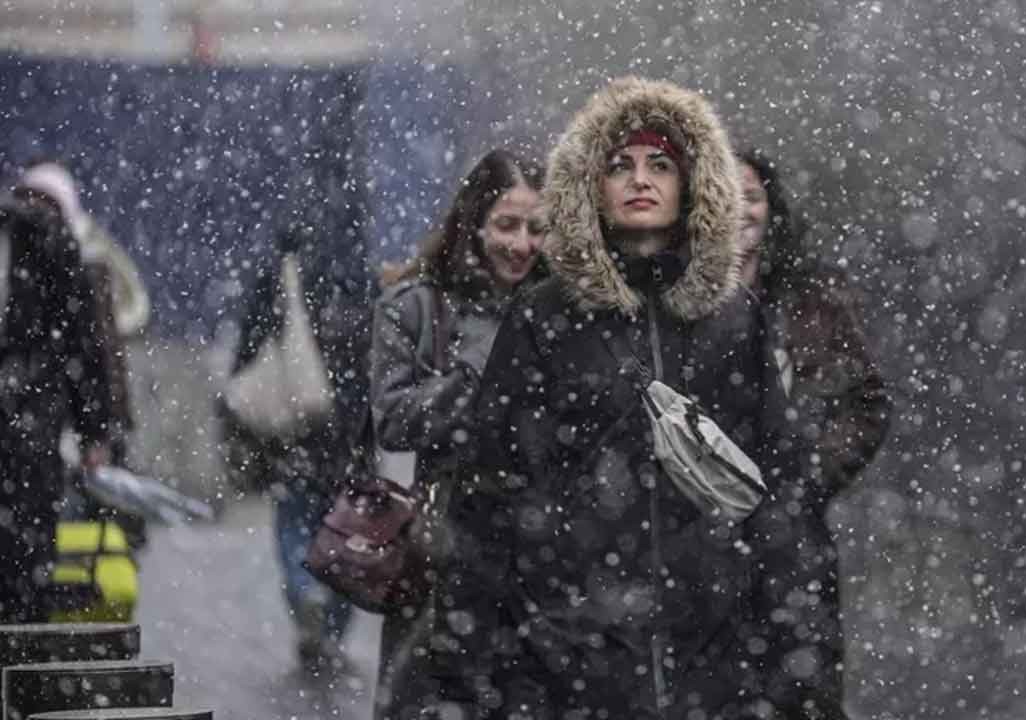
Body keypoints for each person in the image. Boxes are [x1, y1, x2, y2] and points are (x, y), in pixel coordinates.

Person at [447, 77, 816, 719]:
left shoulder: (736, 320)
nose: (639, 179)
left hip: (717, 663)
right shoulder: (545, 319)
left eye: (660, 164)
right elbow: (489, 494)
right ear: (591, 186)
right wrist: (493, 669)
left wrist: (790, 672)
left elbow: (783, 496)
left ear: (692, 183)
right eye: (619, 165)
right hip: (569, 664)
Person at [370, 149, 547, 720]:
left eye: (537, 228)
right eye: (506, 224)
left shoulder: (563, 308)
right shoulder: (418, 305)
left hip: (544, 551)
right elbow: (392, 420)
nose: (521, 245)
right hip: (442, 547)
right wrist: (475, 376)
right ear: (474, 222)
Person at [735, 148, 894, 715]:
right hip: (702, 541)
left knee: (800, 685)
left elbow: (866, 400)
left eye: (751, 196)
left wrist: (812, 473)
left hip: (791, 536)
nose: (739, 209)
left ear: (771, 208)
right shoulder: (678, 299)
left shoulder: (813, 299)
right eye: (724, 195)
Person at [229, 199, 374, 675]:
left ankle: (304, 592)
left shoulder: (278, 278)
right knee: (348, 535)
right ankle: (331, 626)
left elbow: (247, 348)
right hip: (348, 433)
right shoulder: (361, 282)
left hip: (293, 429)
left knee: (294, 521)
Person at [0, 181, 113, 622]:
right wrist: (95, 431)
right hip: (32, 412)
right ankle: (21, 631)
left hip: (28, 402)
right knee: (28, 535)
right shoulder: (56, 242)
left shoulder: (26, 238)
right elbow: (85, 346)